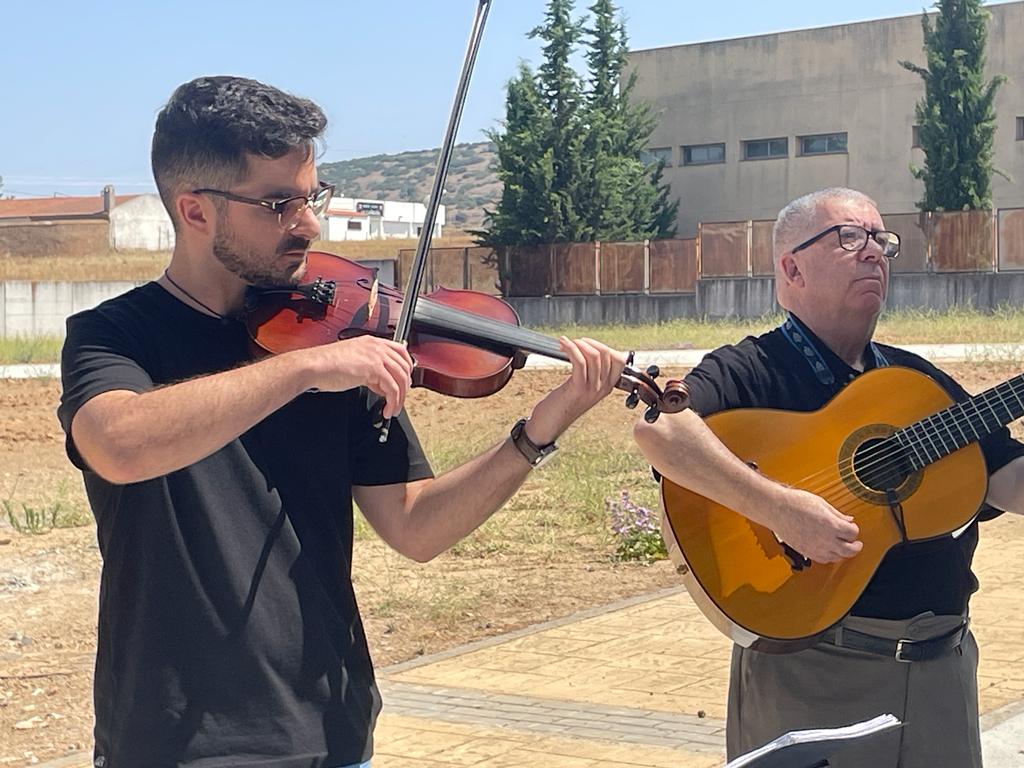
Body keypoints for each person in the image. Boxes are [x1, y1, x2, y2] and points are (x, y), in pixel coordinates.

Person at [57, 76, 627, 768]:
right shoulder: (115, 335)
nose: (309, 225)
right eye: (278, 203)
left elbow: (415, 526)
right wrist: (300, 372)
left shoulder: (339, 336)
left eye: (311, 197)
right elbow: (118, 444)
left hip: (330, 733)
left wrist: (539, 431)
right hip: (175, 742)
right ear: (196, 211)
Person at [634, 187, 1024, 768]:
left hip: (942, 673)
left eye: (881, 239)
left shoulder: (916, 383)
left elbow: (1007, 477)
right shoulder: (750, 369)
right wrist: (780, 508)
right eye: (849, 237)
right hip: (813, 676)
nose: (873, 252)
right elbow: (661, 432)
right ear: (791, 267)